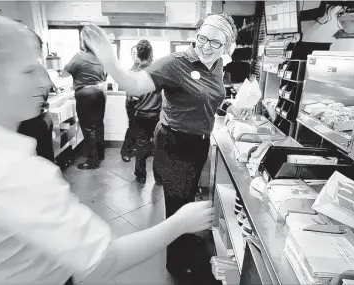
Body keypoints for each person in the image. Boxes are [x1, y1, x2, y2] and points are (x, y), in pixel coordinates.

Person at [0, 11, 215, 285]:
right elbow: (104, 260)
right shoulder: (13, 175)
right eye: (28, 70)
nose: (45, 83)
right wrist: (181, 222)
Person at [83, 13, 252, 279]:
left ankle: (183, 248)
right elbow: (135, 85)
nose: (206, 46)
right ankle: (176, 264)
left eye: (215, 43)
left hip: (198, 143)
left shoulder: (217, 64)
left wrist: (228, 105)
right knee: (177, 206)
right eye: (202, 38)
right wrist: (109, 59)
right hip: (175, 142)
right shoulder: (175, 64)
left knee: (184, 200)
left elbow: (210, 95)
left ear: (227, 46)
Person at [62, 26, 108, 170]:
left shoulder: (79, 56)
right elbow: (105, 75)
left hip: (85, 94)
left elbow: (64, 73)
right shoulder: (103, 57)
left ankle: (92, 161)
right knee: (99, 125)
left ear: (84, 40)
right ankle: (100, 155)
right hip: (100, 92)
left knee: (88, 128)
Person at [17, 29, 55, 162]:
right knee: (46, 158)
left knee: (32, 161)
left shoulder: (20, 68)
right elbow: (47, 89)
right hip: (43, 117)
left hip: (30, 122)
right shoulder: (39, 67)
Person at [131, 40, 163, 184]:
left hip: (140, 114)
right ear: (151, 54)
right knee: (158, 146)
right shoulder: (157, 71)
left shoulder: (134, 73)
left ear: (138, 54)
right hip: (156, 115)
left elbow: (132, 98)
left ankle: (141, 175)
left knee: (141, 144)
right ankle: (158, 177)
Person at [120, 45, 141, 162]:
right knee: (133, 127)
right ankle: (126, 151)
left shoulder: (147, 69)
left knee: (141, 128)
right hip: (132, 103)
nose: (136, 55)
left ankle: (136, 149)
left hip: (143, 104)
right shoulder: (130, 71)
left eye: (138, 52)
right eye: (133, 53)